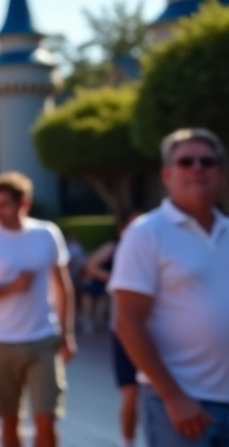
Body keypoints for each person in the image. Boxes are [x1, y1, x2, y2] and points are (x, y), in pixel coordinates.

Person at [110, 128, 229, 446]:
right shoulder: (147, 233)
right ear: (167, 174)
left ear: (222, 174)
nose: (197, 168)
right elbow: (127, 321)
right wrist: (174, 397)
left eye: (208, 161)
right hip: (182, 404)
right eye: (186, 161)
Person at [0, 172, 76, 447]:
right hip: (0, 342)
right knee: (9, 420)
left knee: (46, 418)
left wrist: (67, 332)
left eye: (5, 205)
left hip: (43, 339)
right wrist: (12, 287)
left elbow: (62, 287)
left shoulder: (47, 234)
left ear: (23, 204)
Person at [87, 210, 143, 447]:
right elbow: (91, 265)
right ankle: (127, 441)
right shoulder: (116, 247)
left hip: (157, 332)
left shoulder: (157, 246)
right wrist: (111, 278)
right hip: (125, 330)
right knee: (131, 393)